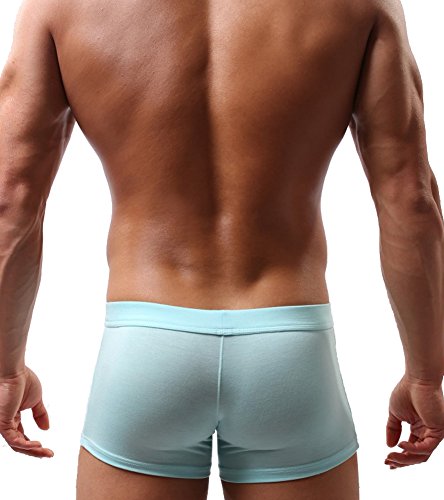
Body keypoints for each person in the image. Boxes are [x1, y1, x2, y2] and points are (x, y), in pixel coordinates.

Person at [0, 0, 443, 498]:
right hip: (289, 345)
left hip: (146, 344)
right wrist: (426, 375)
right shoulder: (362, 5)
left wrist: (5, 368)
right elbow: (412, 200)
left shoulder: (59, 6)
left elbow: (11, 201)